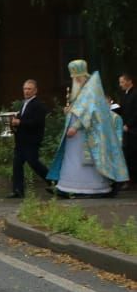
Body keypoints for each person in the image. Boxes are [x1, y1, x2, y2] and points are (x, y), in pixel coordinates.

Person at [47, 60, 129, 197]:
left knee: (83, 163)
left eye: (74, 78)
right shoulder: (82, 90)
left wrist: (75, 126)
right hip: (75, 138)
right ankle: (67, 187)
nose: (74, 80)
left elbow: (89, 112)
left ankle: (90, 189)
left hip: (84, 134)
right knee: (72, 160)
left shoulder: (90, 91)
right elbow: (79, 109)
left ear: (79, 77)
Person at [7, 79, 49, 198]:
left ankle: (54, 182)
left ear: (35, 91)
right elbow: (23, 119)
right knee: (17, 164)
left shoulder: (38, 105)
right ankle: (18, 190)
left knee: (34, 163)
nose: (26, 91)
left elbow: (37, 122)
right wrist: (15, 123)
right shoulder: (24, 103)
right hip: (21, 140)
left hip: (31, 140)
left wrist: (20, 122)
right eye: (25, 89)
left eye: (29, 89)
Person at [117, 73, 137, 190]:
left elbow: (135, 113)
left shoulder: (135, 94)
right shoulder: (124, 95)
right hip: (126, 129)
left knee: (133, 154)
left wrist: (129, 125)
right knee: (128, 154)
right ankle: (129, 180)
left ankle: (132, 180)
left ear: (129, 81)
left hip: (133, 130)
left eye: (122, 82)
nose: (121, 84)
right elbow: (122, 110)